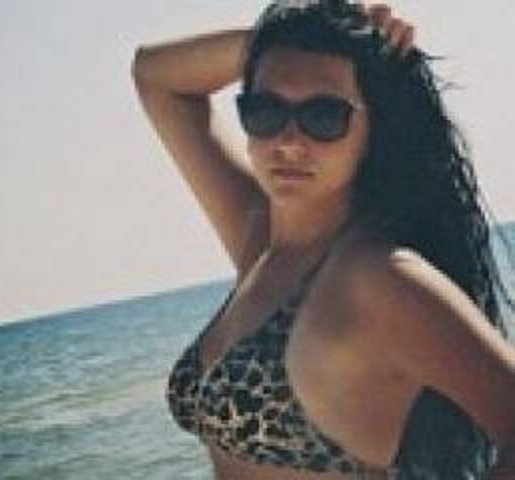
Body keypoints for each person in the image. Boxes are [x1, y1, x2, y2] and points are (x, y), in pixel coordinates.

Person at [131, 1, 515, 478]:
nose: (289, 143)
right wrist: (296, 37)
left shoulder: (378, 278)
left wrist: (335, 44)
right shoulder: (261, 240)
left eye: (325, 116)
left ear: (374, 129)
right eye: (266, 111)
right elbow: (156, 77)